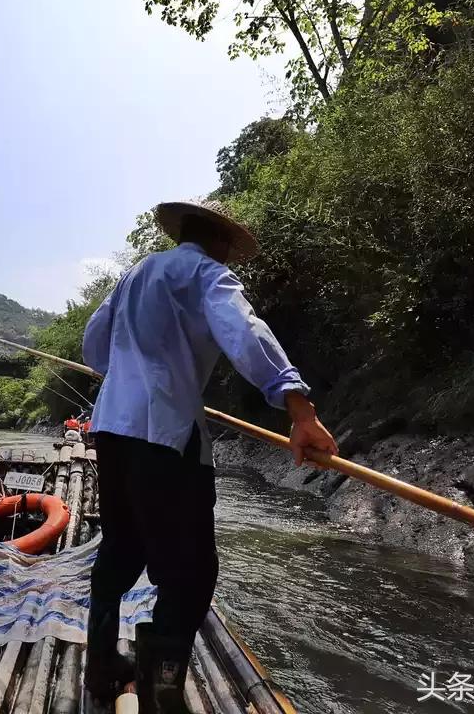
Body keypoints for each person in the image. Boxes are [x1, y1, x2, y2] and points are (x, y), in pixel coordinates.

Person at [81, 199, 338, 712]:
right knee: (192, 572)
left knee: (121, 549)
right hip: (166, 435)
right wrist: (299, 408)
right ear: (220, 241)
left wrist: (128, 375)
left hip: (111, 427)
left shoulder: (135, 274)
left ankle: (102, 664)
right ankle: (161, 691)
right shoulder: (205, 272)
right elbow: (246, 332)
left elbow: (94, 347)